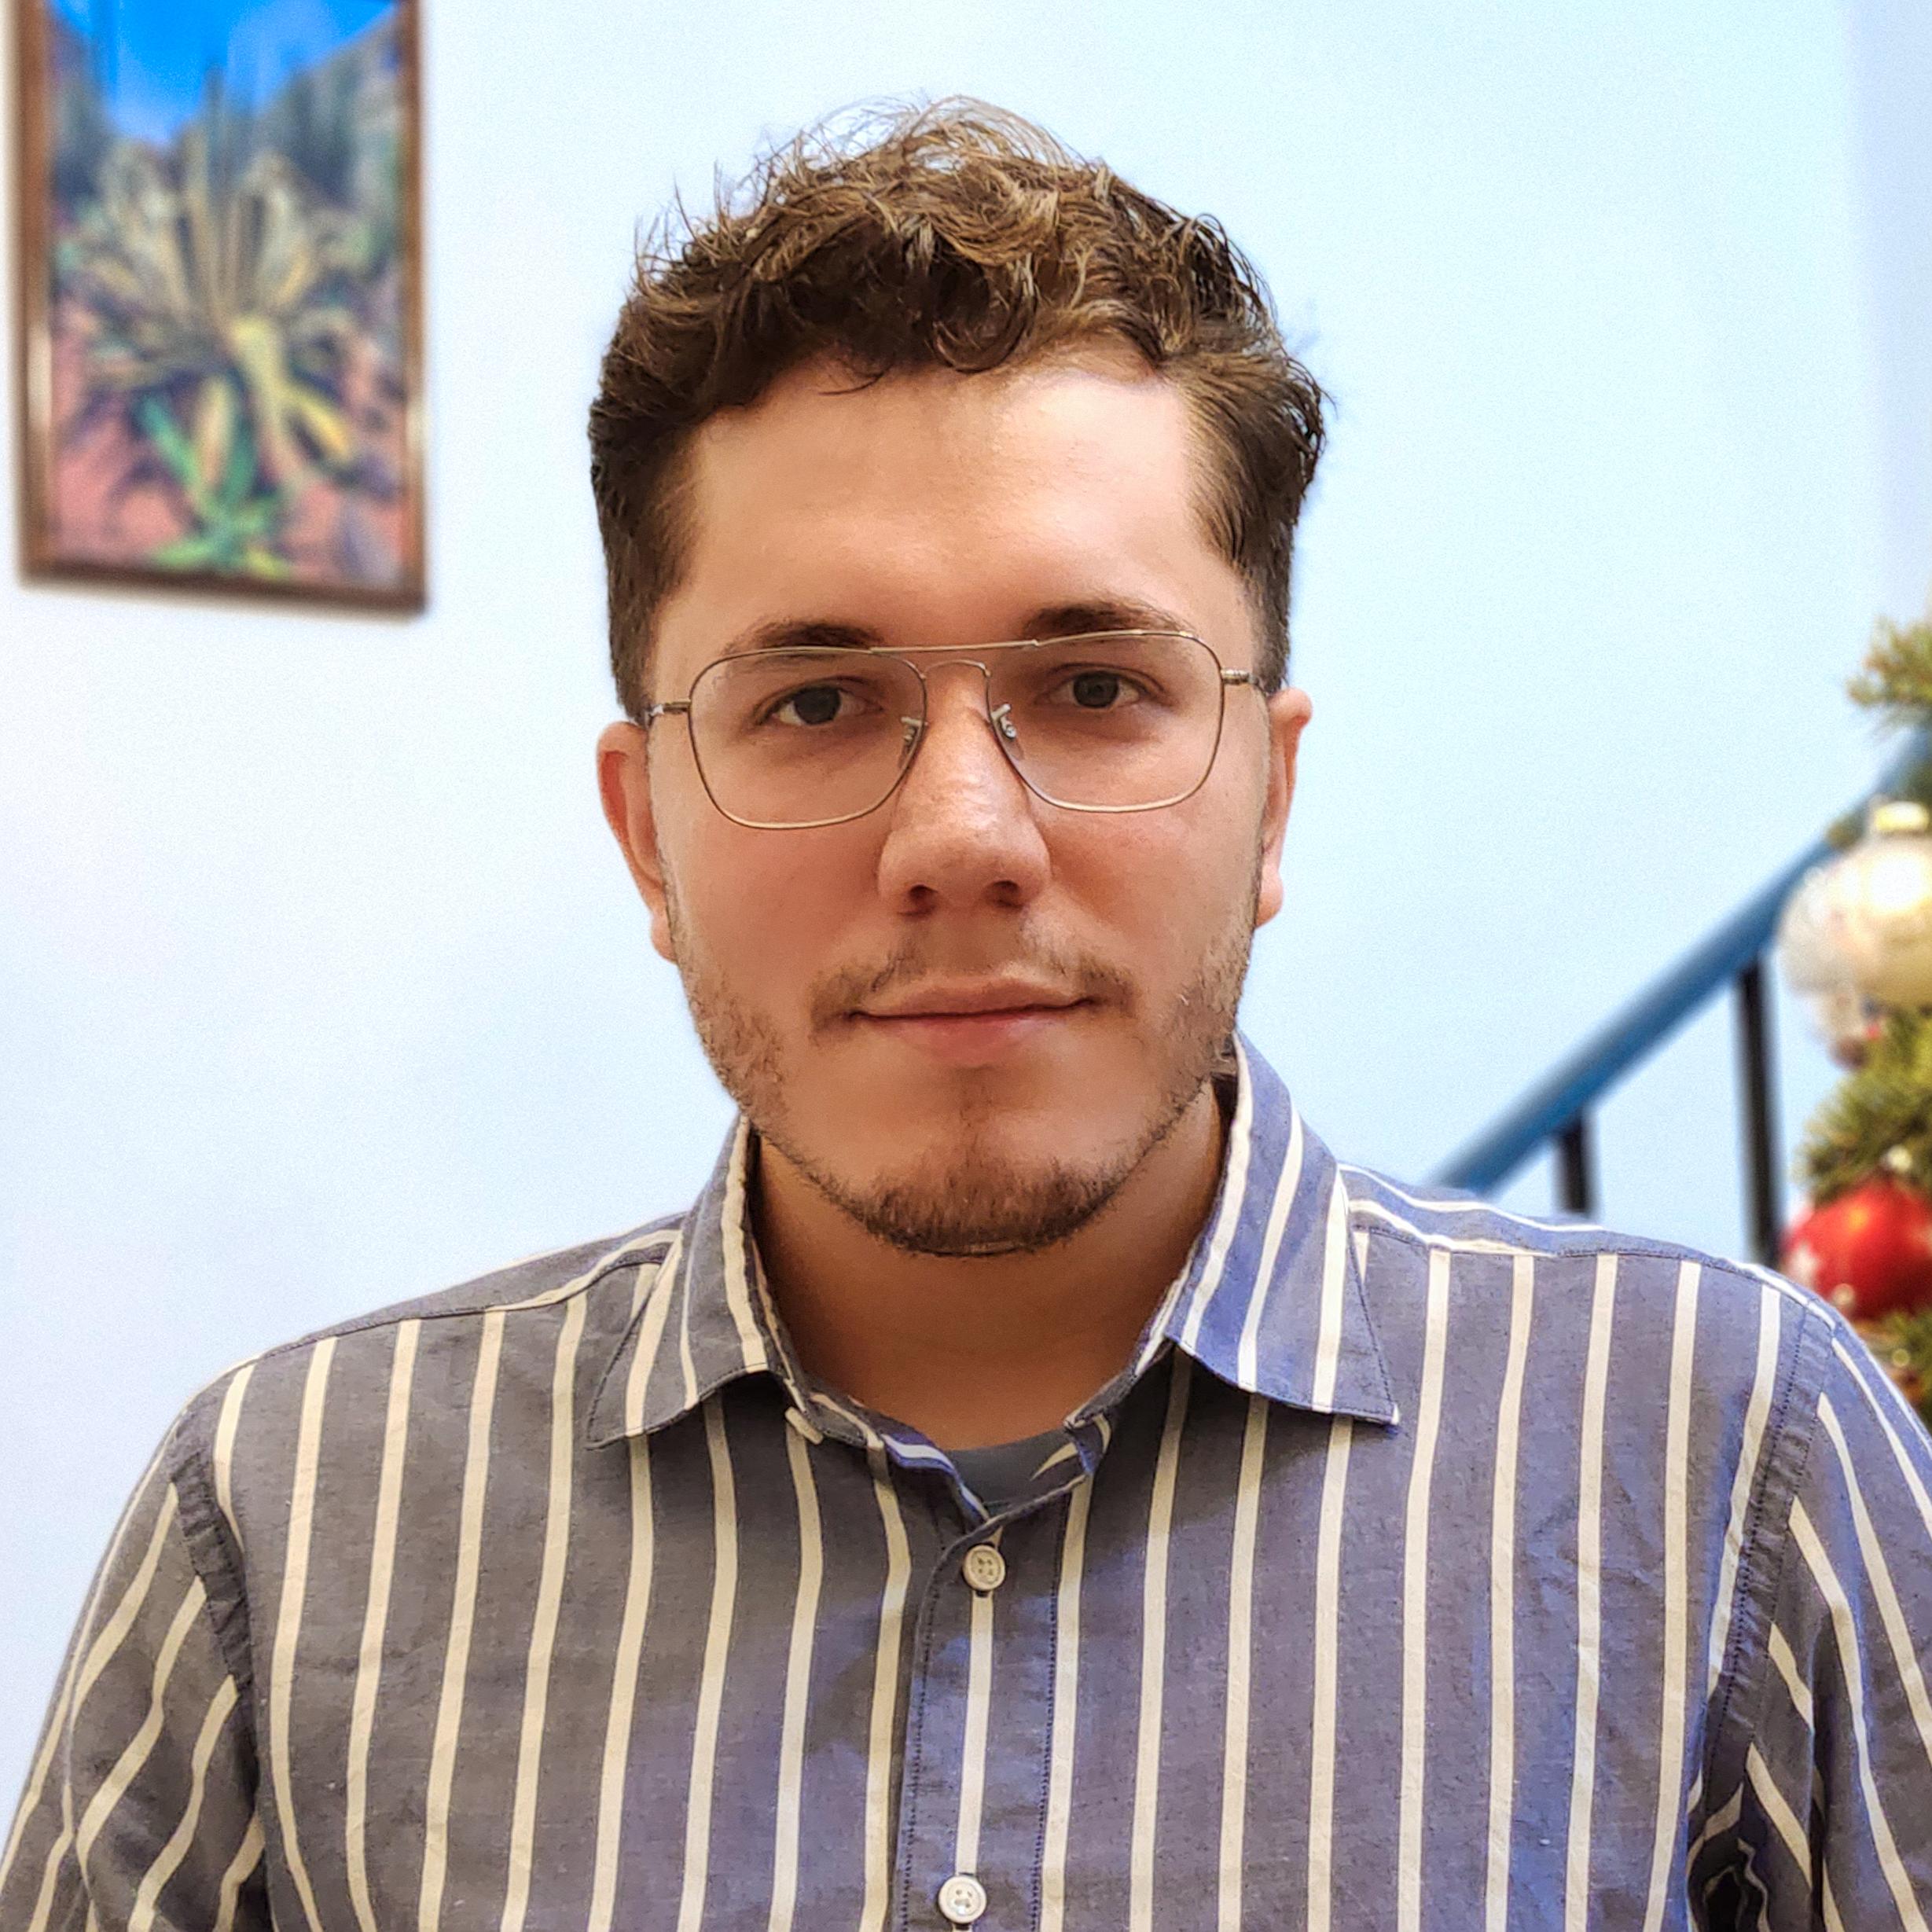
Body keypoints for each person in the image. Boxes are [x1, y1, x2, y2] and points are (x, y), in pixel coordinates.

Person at [6, 101, 1930, 1932]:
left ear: (1269, 796)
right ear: (645, 833)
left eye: (1094, 687)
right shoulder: (282, 1529)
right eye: (813, 702)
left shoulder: (1723, 1468)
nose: (961, 840)